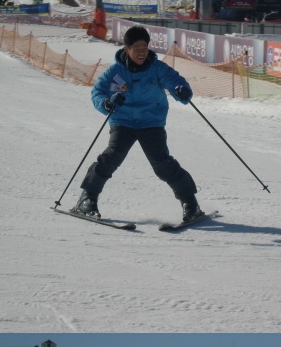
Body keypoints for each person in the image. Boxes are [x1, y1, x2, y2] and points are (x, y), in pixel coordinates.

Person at [73, 22, 206, 226]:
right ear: (127, 49)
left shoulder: (157, 68)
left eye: (144, 48)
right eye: (136, 49)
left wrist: (182, 91)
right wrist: (108, 103)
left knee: (163, 165)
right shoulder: (116, 72)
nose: (142, 53)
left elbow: (175, 81)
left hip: (151, 122)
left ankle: (190, 203)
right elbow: (97, 93)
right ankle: (87, 199)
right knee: (111, 157)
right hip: (123, 122)